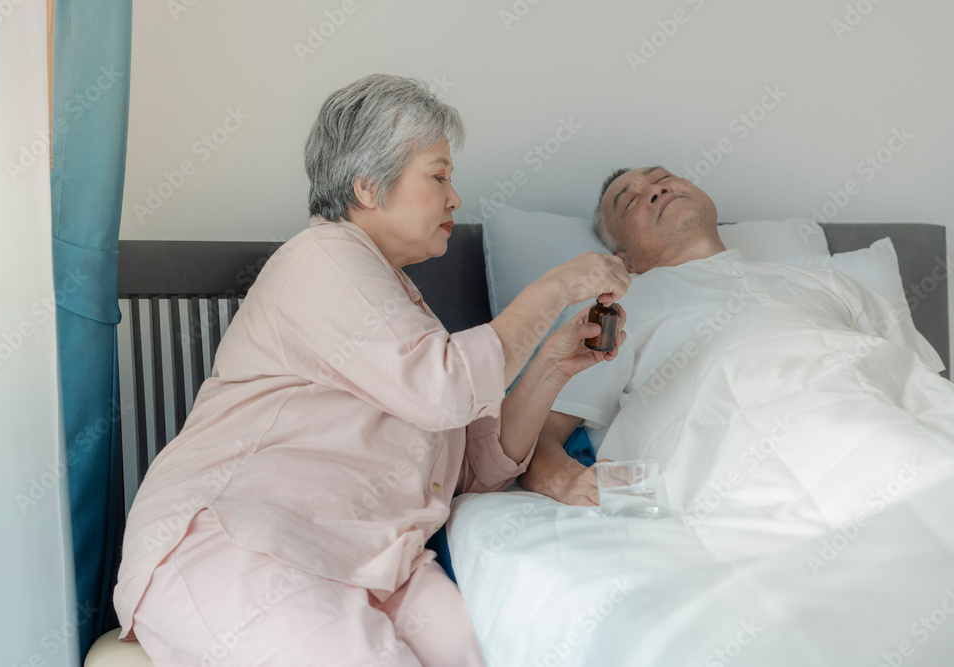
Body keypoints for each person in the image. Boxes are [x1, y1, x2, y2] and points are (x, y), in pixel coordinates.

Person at [112, 74, 631, 667]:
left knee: (490, 649)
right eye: (439, 176)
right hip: (246, 542)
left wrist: (551, 367)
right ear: (366, 185)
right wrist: (558, 285)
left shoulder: (402, 309)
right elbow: (445, 389)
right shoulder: (322, 258)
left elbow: (471, 470)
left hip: (373, 563)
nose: (455, 198)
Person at [518, 165, 944, 506]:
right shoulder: (616, 309)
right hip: (755, 453)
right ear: (624, 258)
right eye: (631, 200)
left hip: (900, 427)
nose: (656, 189)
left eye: (663, 178)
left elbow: (921, 383)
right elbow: (537, 430)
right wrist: (568, 480)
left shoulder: (833, 283)